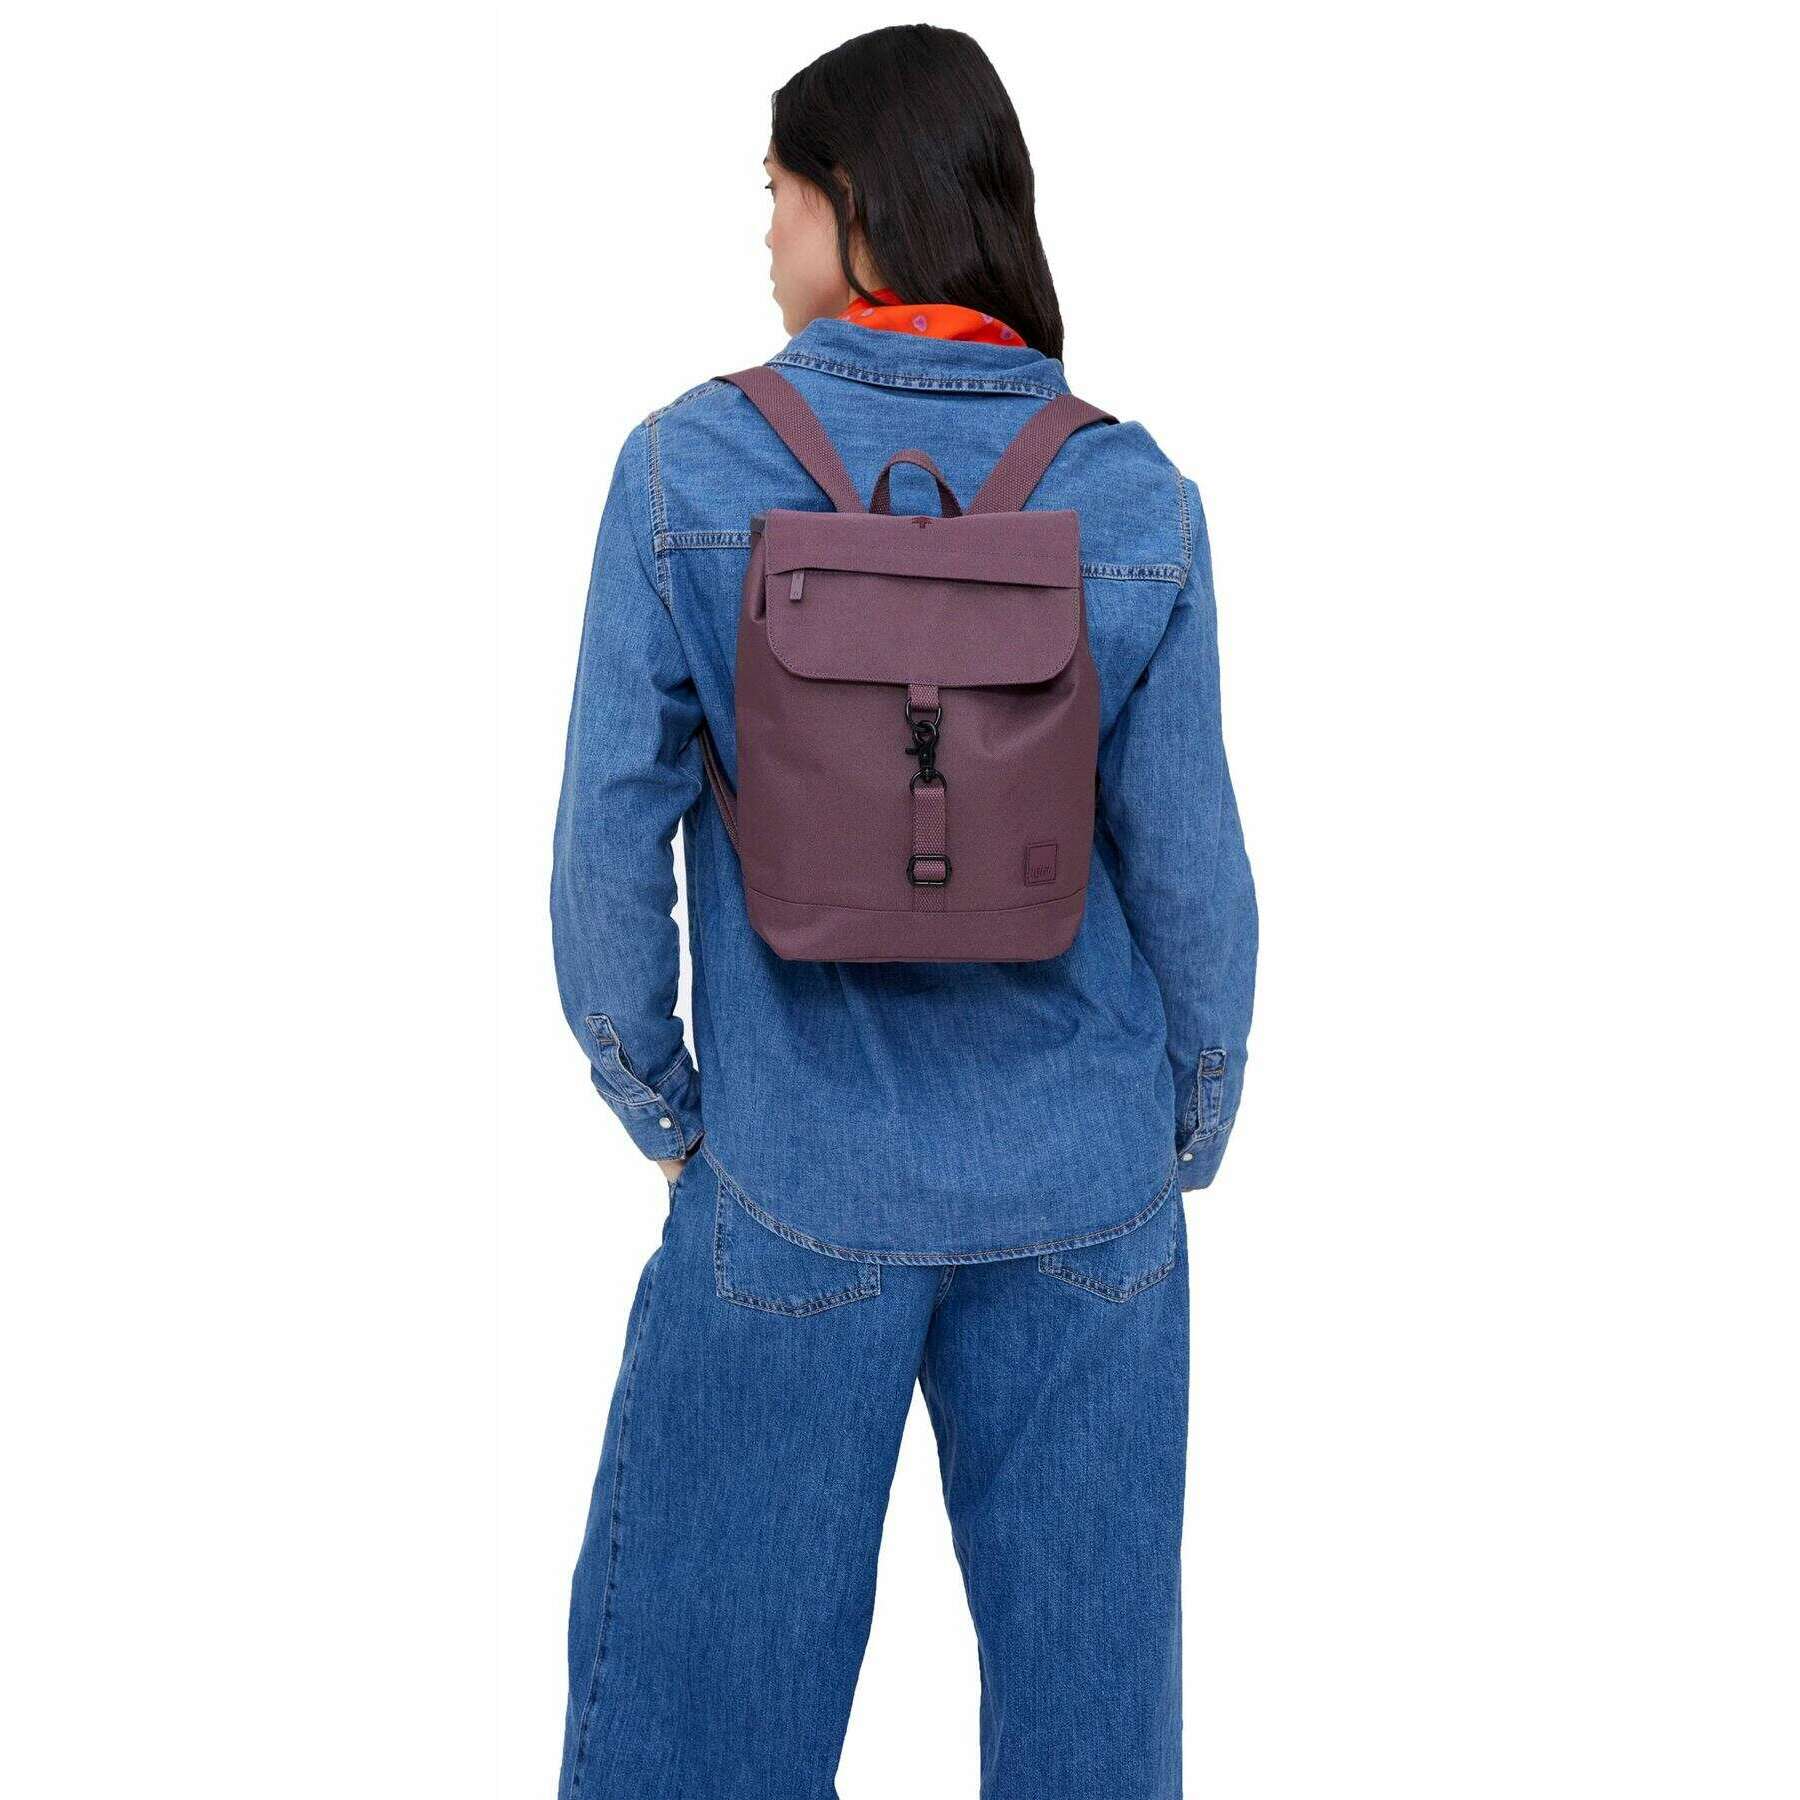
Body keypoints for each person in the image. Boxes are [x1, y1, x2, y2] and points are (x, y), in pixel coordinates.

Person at [548, 24, 1256, 1799]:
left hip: (796, 1175)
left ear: (853, 200)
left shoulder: (688, 471)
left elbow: (603, 854)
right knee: (1094, 1748)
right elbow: (1195, 881)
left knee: (697, 1736)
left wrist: (669, 1110)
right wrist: (1182, 1123)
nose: (762, 235)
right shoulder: (1130, 493)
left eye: (776, 194)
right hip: (1084, 1190)